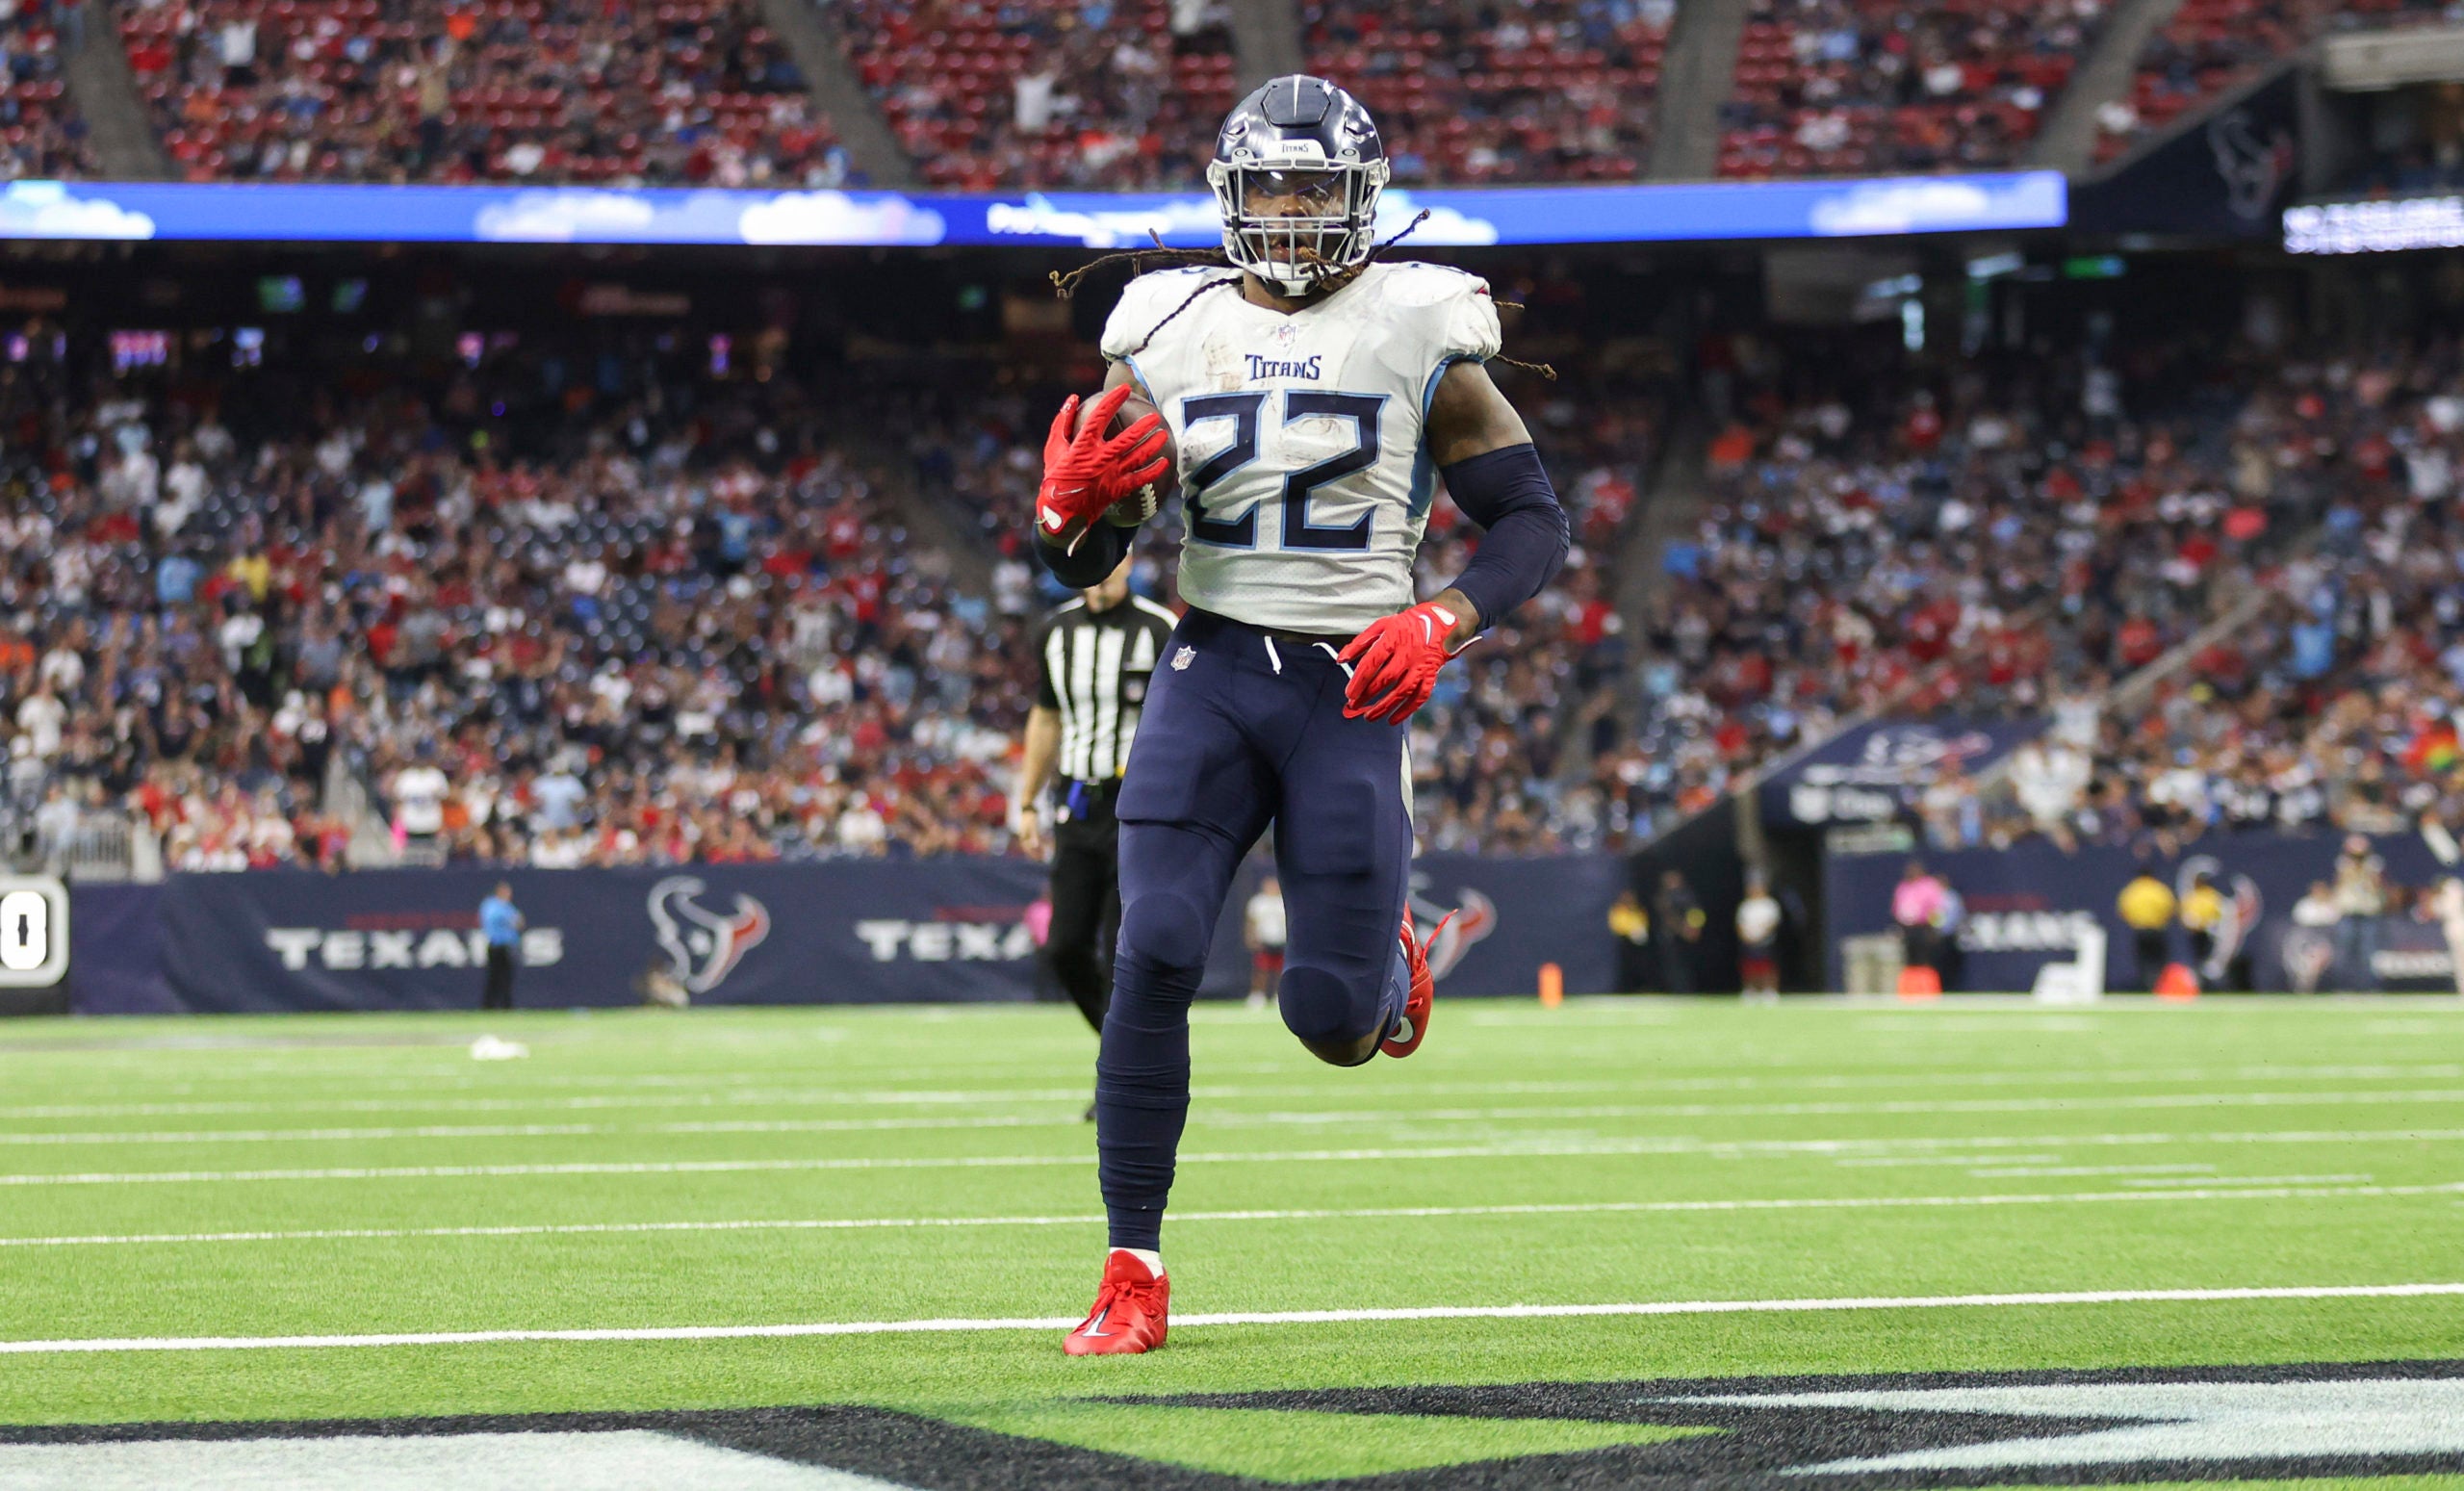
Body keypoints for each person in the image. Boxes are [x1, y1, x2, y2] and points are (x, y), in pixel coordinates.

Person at [1033, 75, 1570, 1356]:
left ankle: (1383, 966)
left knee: (1327, 1021)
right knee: (1151, 944)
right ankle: (1131, 1269)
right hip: (1210, 666)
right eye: (1267, 183)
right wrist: (1066, 521)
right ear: (1228, 193)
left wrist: (1440, 618)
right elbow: (1088, 539)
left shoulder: (1419, 319)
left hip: (1350, 688)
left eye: (1312, 185)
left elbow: (1533, 520)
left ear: (1358, 196)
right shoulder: (1165, 321)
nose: (1286, 208)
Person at [1011, 554, 1178, 1059]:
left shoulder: (1159, 628)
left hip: (1138, 809)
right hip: (1078, 803)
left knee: (1118, 948)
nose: (1103, 568)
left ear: (1129, 559)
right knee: (1064, 946)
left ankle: (1118, 1073)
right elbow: (1046, 717)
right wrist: (1025, 802)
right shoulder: (1055, 631)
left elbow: (1183, 718)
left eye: (1112, 554)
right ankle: (1126, 1054)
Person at [2332, 834, 2387, 991]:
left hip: (2368, 912)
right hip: (2349, 912)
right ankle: (2343, 986)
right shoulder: (2343, 863)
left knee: (2368, 952)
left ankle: (2368, 987)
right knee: (2344, 952)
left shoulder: (2374, 864)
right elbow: (2340, 883)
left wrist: (2366, 871)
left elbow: (2376, 886)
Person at [2117, 865, 2176, 991]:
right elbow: (2171, 908)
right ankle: (2159, 986)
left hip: (2140, 930)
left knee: (2143, 961)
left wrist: (2134, 921)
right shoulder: (2159, 889)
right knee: (2159, 960)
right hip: (2157, 929)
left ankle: (2146, 986)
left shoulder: (2133, 890)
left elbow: (2123, 911)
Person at [1652, 869, 1704, 993]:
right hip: (1671, 936)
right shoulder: (1663, 897)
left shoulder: (1687, 895)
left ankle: (1688, 990)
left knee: (1687, 965)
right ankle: (1675, 989)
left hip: (1687, 936)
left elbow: (1696, 913)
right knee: (1672, 966)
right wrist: (1680, 929)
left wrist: (1693, 928)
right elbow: (1667, 917)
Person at [1891, 861, 1943, 981]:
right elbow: (1897, 907)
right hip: (1908, 928)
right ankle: (1911, 989)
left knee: (1924, 959)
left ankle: (1925, 987)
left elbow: (1936, 908)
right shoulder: (1903, 887)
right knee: (1909, 959)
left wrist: (1935, 927)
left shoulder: (1928, 886)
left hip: (1924, 927)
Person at [1245, 874, 1287, 1010]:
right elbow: (1251, 922)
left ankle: (1278, 995)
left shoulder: (1283, 901)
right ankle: (1257, 996)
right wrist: (1251, 938)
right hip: (1264, 941)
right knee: (1261, 970)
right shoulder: (1259, 902)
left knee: (1281, 970)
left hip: (1281, 941)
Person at [1736, 873, 1781, 1000]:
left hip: (1765, 941)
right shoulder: (1746, 905)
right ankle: (1751, 990)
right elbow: (1740, 924)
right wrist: (1746, 936)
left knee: (1767, 966)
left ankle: (1769, 990)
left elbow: (1772, 923)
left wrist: (1760, 936)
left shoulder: (1770, 904)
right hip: (1748, 941)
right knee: (1749, 967)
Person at [478, 882, 523, 1010]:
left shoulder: (507, 906)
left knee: (507, 977)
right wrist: (510, 919)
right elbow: (493, 918)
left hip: (508, 946)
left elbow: (519, 922)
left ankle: (506, 1006)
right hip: (496, 945)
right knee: (494, 977)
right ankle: (488, 1006)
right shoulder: (491, 904)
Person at [1607, 887, 1650, 993]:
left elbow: (1643, 923)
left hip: (1638, 944)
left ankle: (1641, 987)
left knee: (1641, 966)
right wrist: (1630, 931)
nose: (1628, 899)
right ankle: (1626, 989)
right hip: (1625, 943)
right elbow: (1617, 926)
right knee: (1626, 967)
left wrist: (1640, 931)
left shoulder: (1637, 910)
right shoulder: (1618, 910)